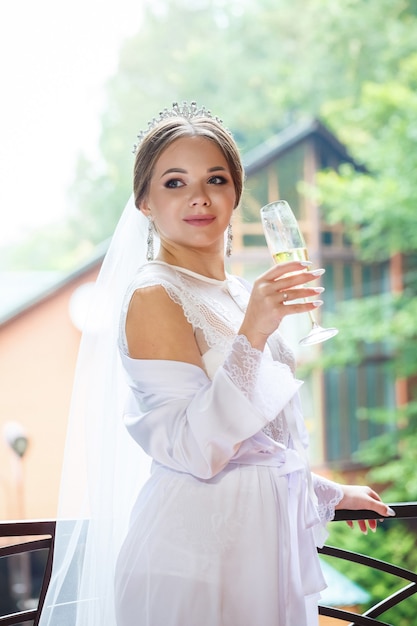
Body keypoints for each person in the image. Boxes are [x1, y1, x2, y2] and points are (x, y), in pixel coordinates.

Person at [39, 102, 395, 626]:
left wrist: (331, 492)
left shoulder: (239, 291)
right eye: (175, 183)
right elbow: (195, 448)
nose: (199, 197)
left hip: (261, 552)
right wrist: (254, 331)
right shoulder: (154, 295)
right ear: (144, 203)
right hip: (194, 561)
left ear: (236, 192)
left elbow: (259, 446)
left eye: (215, 178)